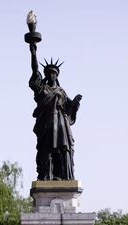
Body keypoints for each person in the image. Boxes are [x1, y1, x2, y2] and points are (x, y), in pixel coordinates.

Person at [28, 43, 82, 181]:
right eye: (49, 73)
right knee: (47, 151)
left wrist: (75, 104)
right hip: (46, 125)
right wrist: (33, 53)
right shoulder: (42, 89)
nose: (52, 75)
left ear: (57, 75)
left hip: (61, 125)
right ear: (46, 75)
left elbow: (69, 110)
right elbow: (35, 72)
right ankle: (47, 175)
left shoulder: (61, 92)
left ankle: (61, 175)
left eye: (54, 73)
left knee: (62, 150)